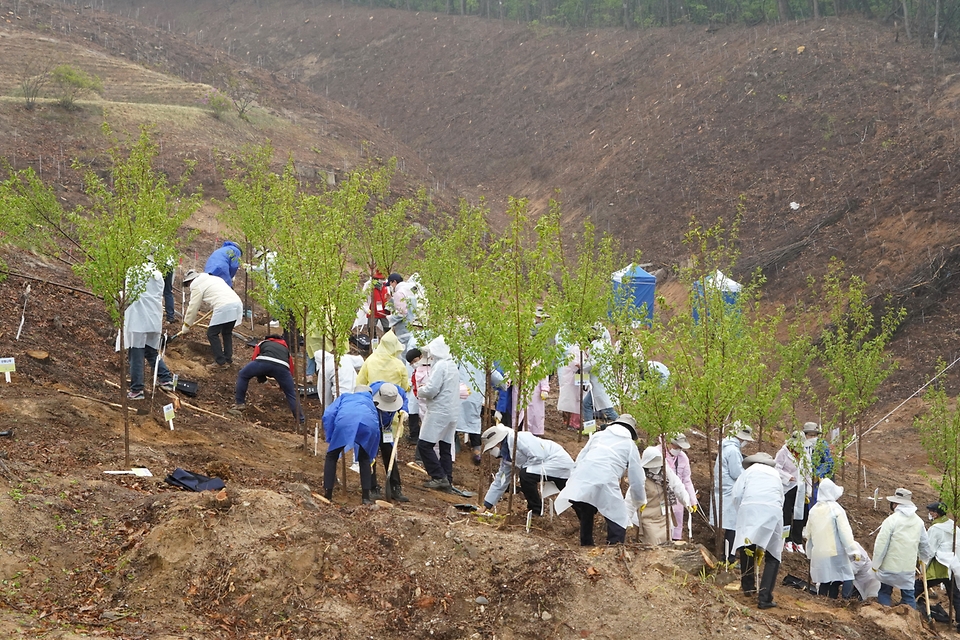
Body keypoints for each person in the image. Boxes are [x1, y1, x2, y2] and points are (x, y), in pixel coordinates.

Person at [555, 415, 646, 546]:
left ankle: (586, 544)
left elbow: (580, 458)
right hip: (606, 478)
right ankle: (614, 550)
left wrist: (574, 477)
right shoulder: (630, 445)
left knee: (587, 507)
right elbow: (636, 477)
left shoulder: (598, 436)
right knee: (618, 519)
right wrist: (640, 499)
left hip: (583, 474)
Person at [481, 425, 574, 515]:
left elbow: (538, 455)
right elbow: (500, 482)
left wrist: (524, 468)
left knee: (526, 475)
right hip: (548, 467)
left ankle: (535, 510)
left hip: (557, 461)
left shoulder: (518, 438)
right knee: (570, 494)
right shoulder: (506, 458)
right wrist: (486, 506)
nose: (492, 451)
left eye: (492, 448)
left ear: (498, 442)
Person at [732, 452, 785, 610]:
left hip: (749, 507)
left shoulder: (748, 472)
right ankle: (765, 597)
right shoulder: (775, 474)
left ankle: (748, 587)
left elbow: (736, 495)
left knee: (747, 545)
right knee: (773, 556)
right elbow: (781, 498)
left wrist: (740, 511)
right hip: (773, 510)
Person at [873, 488, 933, 609]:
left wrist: (875, 564)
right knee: (908, 596)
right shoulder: (918, 522)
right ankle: (912, 623)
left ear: (895, 504)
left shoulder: (891, 520)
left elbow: (881, 544)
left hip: (889, 566)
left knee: (885, 592)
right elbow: (925, 545)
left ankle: (885, 618)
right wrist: (923, 564)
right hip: (908, 568)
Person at [124, 259, 175, 400]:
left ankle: (137, 390)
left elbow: (130, 296)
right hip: (154, 318)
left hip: (138, 318)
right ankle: (165, 378)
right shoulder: (158, 274)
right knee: (150, 350)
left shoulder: (134, 272)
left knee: (136, 352)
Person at [322, 386, 382, 504]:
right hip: (368, 425)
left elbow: (329, 413)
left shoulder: (345, 397)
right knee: (364, 459)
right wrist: (371, 453)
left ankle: (328, 494)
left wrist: (330, 436)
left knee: (331, 456)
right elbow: (376, 428)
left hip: (345, 422)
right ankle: (366, 497)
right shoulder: (370, 403)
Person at [416, 336, 461, 491]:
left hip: (439, 410)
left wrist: (420, 390)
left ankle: (438, 476)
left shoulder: (441, 366)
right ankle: (447, 477)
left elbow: (432, 389)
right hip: (452, 411)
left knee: (424, 444)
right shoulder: (452, 364)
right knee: (445, 445)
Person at [804, 478, 857, 599]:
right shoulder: (836, 509)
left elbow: (809, 534)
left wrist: (809, 552)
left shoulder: (813, 510)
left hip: (819, 552)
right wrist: (852, 550)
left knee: (825, 579)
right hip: (835, 551)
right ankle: (844, 601)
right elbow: (845, 532)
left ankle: (823, 601)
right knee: (844, 576)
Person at [181, 270, 244, 368]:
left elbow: (193, 308)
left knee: (212, 333)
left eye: (188, 283)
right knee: (226, 332)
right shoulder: (213, 278)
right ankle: (228, 358)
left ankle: (220, 362)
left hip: (223, 306)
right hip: (236, 303)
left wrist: (186, 326)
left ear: (190, 280)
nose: (189, 286)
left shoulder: (196, 285)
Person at [233, 335, 302, 423]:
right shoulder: (285, 349)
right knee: (291, 393)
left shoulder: (263, 343)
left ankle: (240, 403)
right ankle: (301, 421)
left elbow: (255, 358)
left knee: (243, 375)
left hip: (263, 362)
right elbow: (291, 368)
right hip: (282, 367)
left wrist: (263, 380)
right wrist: (284, 384)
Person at [710, 422, 754, 562]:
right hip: (730, 491)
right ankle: (729, 557)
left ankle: (727, 555)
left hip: (723, 490)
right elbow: (736, 473)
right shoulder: (733, 451)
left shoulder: (726, 447)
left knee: (729, 524)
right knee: (733, 526)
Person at [637, 446, 691, 545]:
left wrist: (686, 501)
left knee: (667, 547)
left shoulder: (666, 472)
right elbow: (631, 497)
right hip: (649, 519)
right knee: (653, 547)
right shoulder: (641, 477)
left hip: (665, 517)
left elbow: (677, 485)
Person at [916, 502, 960, 620]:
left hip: (939, 566)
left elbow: (929, 551)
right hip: (953, 565)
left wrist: (922, 569)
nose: (930, 513)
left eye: (931, 511)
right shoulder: (954, 526)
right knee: (955, 595)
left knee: (919, 585)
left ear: (936, 514)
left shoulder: (935, 529)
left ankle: (905, 603)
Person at [368, 382, 410, 503]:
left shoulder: (397, 391)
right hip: (373, 425)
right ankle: (372, 487)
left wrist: (404, 410)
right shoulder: (370, 394)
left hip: (386, 427)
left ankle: (395, 487)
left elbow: (405, 399)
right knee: (371, 456)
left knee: (390, 454)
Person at [775, 433, 809, 554]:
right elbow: (776, 467)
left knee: (800, 514)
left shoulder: (804, 454)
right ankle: (786, 539)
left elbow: (808, 470)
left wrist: (808, 489)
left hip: (800, 488)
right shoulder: (783, 452)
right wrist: (787, 477)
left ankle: (797, 540)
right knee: (786, 513)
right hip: (787, 488)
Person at [580, 327, 618, 423]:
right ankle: (589, 429)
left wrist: (582, 366)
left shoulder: (597, 346)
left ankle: (626, 426)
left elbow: (594, 364)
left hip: (600, 383)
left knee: (608, 410)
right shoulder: (603, 345)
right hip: (600, 382)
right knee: (586, 404)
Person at [665, 434, 698, 541]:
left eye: (680, 447)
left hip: (678, 497)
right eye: (676, 446)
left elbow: (687, 480)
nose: (678, 449)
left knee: (676, 525)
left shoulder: (683, 458)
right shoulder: (657, 453)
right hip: (661, 496)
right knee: (662, 524)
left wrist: (692, 500)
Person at [803, 422, 833, 505]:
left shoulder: (822, 445)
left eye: (814, 435)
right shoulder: (800, 445)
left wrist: (817, 474)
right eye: (810, 435)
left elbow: (829, 462)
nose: (813, 438)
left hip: (817, 480)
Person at [556, 341, 583, 431]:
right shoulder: (575, 349)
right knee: (571, 401)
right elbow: (574, 363)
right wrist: (583, 366)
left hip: (577, 378)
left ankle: (575, 422)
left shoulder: (582, 349)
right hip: (571, 378)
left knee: (577, 400)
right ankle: (571, 422)